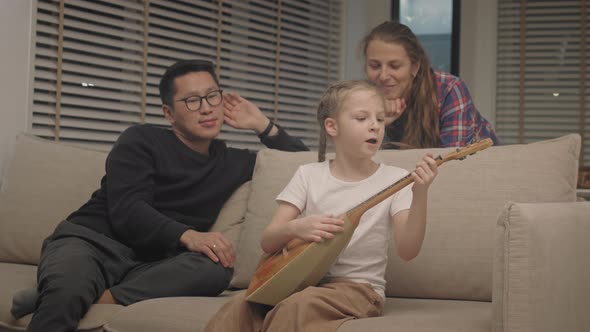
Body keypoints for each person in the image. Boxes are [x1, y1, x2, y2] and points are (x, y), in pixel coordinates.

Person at [11, 59, 308, 332]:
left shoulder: (233, 162)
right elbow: (127, 210)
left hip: (150, 264)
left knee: (217, 266)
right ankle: (69, 291)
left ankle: (91, 295)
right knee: (66, 291)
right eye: (192, 100)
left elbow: (301, 164)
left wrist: (261, 124)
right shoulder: (141, 139)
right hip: (91, 243)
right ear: (169, 113)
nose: (206, 108)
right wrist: (188, 235)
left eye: (212, 96)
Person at [205, 80, 438, 332]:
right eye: (362, 118)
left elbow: (408, 250)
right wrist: (298, 228)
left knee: (297, 306)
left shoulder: (395, 179)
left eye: (380, 119)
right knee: (240, 305)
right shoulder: (308, 175)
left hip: (359, 290)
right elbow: (269, 241)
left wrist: (420, 193)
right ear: (332, 126)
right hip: (301, 282)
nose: (375, 126)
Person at [362, 20, 499, 148]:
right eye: (375, 66)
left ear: (415, 67)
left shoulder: (450, 90)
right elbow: (355, 160)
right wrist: (380, 124)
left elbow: (452, 160)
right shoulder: (361, 98)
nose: (383, 76)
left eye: (395, 66)